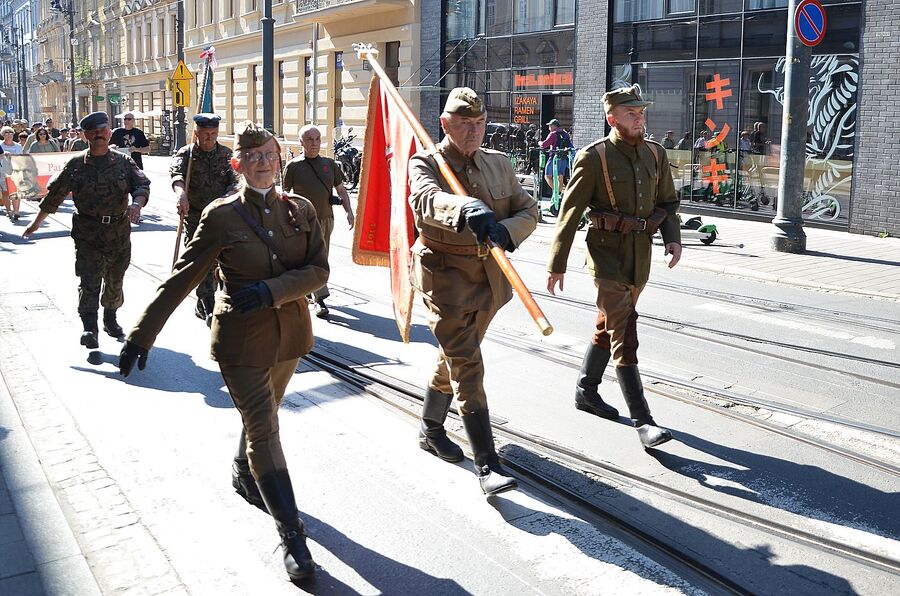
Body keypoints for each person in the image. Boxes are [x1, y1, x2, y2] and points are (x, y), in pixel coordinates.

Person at [118, 122, 327, 583]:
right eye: (251, 157)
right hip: (241, 342)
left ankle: (242, 468)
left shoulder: (301, 209)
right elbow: (183, 277)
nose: (261, 164)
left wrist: (273, 290)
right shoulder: (221, 215)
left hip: (290, 337)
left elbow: (319, 272)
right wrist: (141, 333)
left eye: (268, 155)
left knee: (266, 413)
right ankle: (292, 536)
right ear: (238, 164)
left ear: (280, 159)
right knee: (265, 429)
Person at [408, 87, 538, 496]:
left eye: (480, 123)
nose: (473, 131)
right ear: (445, 124)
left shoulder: (498, 164)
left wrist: (505, 229)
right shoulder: (425, 162)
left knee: (454, 357)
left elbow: (528, 210)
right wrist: (462, 208)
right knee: (468, 364)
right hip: (444, 278)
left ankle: (430, 426)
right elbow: (425, 200)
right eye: (465, 124)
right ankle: (488, 463)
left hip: (489, 281)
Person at [546, 84, 682, 449]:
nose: (640, 120)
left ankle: (586, 390)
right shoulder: (595, 157)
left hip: (641, 255)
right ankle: (644, 421)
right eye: (631, 115)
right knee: (625, 331)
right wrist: (557, 263)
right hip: (606, 256)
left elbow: (668, 201)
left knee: (607, 326)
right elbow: (570, 213)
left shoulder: (656, 153)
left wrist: (673, 237)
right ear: (612, 118)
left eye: (641, 113)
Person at [22, 112, 151, 348]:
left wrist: (136, 204)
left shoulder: (123, 162)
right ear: (86, 135)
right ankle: (89, 328)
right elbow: (55, 195)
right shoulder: (76, 165)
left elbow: (141, 184)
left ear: (109, 132)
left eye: (103, 130)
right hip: (88, 233)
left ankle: (110, 318)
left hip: (118, 233)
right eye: (93, 131)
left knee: (115, 279)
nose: (99, 134)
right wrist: (36, 223)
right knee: (89, 280)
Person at [170, 113, 240, 325]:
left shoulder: (227, 155)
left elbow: (237, 180)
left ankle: (218, 300)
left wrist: (229, 196)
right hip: (196, 218)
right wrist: (180, 194)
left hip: (222, 216)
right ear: (196, 133)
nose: (209, 138)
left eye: (213, 134)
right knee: (202, 262)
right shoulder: (187, 154)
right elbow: (177, 176)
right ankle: (208, 304)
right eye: (205, 134)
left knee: (225, 260)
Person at [281, 124, 354, 319]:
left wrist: (349, 212)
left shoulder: (330, 164)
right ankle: (319, 298)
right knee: (306, 258)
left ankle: (311, 293)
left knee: (320, 258)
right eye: (309, 139)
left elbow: (341, 190)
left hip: (325, 219)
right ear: (301, 142)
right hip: (301, 222)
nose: (314, 143)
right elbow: (284, 194)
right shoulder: (293, 166)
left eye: (317, 139)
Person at [541, 118, 572, 193]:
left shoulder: (553, 134)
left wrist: (539, 142)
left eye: (550, 126)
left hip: (554, 157)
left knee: (547, 176)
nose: (549, 128)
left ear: (554, 126)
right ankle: (559, 194)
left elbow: (544, 145)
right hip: (564, 157)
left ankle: (556, 192)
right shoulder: (565, 134)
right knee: (560, 176)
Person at [0, 126, 23, 221]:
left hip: (15, 171)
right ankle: (9, 210)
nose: (9, 134)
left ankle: (16, 211)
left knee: (16, 191)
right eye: (6, 132)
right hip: (2, 171)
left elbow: (22, 158)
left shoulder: (18, 146)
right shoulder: (0, 145)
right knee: (5, 192)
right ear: (2, 134)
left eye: (10, 132)